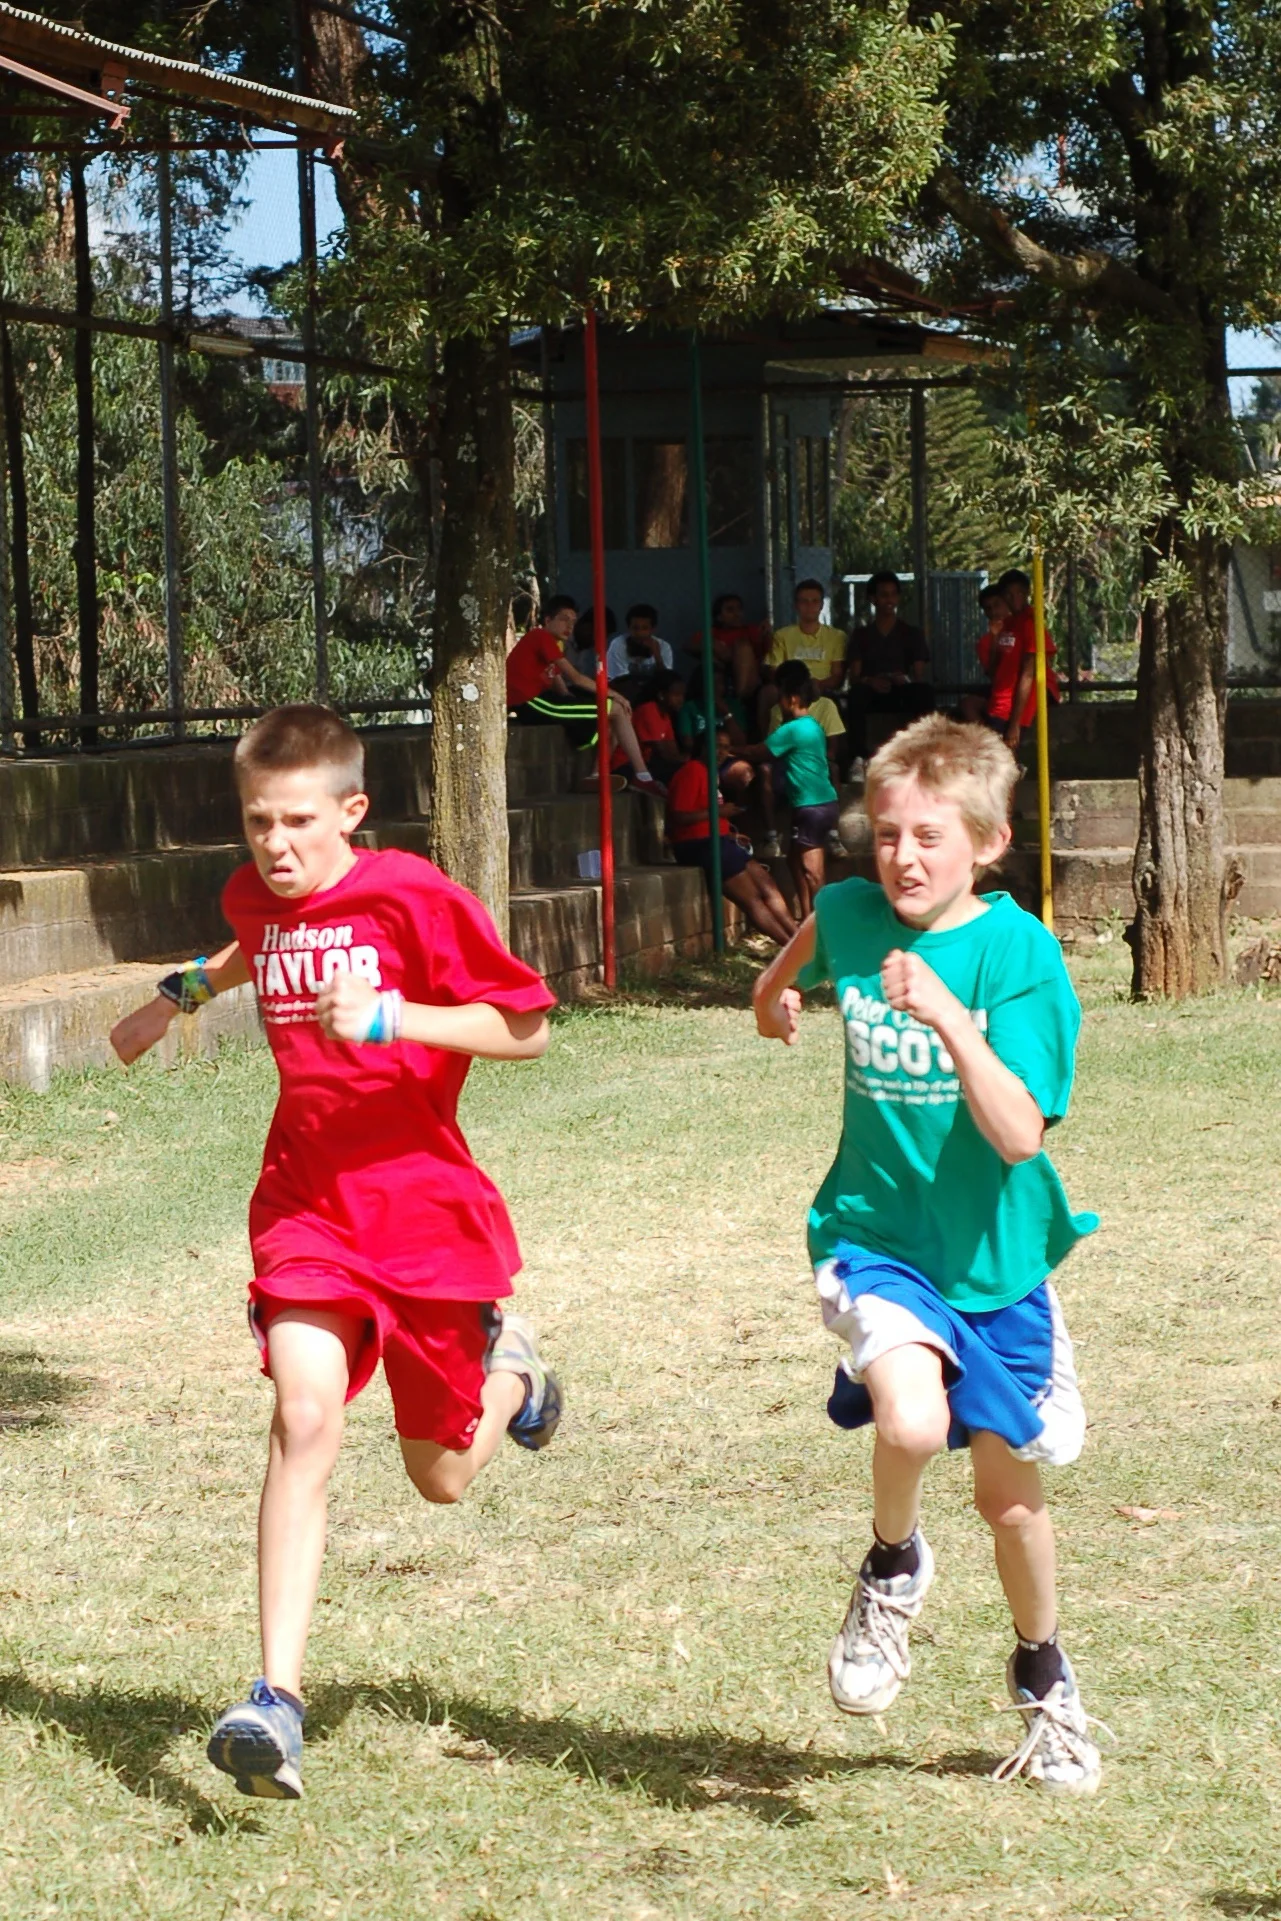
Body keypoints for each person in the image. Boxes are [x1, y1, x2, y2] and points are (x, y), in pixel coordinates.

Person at [108, 706, 563, 1801]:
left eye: (300, 821)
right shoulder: (254, 895)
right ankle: (276, 1699)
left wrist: (397, 1018)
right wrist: (169, 1001)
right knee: (304, 1415)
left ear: (351, 810)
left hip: (425, 1223)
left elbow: (528, 1024)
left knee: (442, 1476)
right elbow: (249, 945)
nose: (276, 844)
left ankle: (517, 1373)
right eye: (259, 821)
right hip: (306, 1209)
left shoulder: (412, 895)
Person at [752, 714, 1105, 1795]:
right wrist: (774, 1000)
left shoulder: (1019, 955)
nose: (902, 857)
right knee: (909, 1418)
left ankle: (1043, 1675)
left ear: (989, 843)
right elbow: (814, 934)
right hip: (875, 1238)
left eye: (930, 838)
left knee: (1011, 1504)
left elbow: (1018, 1134)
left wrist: (951, 1013)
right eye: (889, 834)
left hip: (997, 1264)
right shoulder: (854, 909)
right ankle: (893, 1563)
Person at [506, 595, 665, 797]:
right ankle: (643, 777)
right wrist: (615, 695)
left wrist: (576, 700)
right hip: (530, 702)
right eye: (564, 619)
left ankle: (597, 774)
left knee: (614, 713)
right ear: (547, 620)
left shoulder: (555, 644)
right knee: (616, 707)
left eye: (573, 622)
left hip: (542, 700)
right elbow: (576, 677)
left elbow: (559, 683)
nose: (569, 626)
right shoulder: (540, 636)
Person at [665, 729, 797, 945]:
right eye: (716, 746)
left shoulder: (709, 773)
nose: (721, 752)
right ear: (703, 746)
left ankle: (799, 939)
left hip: (720, 839)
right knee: (752, 898)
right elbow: (679, 816)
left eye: (726, 747)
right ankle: (790, 947)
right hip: (699, 844)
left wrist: (730, 830)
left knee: (767, 885)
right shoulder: (692, 771)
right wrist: (719, 813)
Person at [738, 661, 841, 918]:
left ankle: (824, 926)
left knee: (813, 871)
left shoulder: (792, 729)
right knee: (793, 860)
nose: (779, 704)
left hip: (811, 805)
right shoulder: (812, 725)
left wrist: (730, 751)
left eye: (781, 699)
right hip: (816, 802)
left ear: (792, 699)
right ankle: (808, 918)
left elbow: (760, 751)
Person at [844, 572, 934, 772]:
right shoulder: (861, 635)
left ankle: (926, 754)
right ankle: (858, 758)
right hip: (872, 692)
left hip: (902, 691)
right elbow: (855, 676)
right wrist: (870, 681)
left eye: (893, 594)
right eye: (884, 595)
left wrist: (904, 679)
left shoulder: (912, 633)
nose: (889, 600)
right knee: (856, 694)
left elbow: (919, 675)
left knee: (924, 692)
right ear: (872, 599)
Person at [760, 578, 847, 732]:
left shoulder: (836, 636)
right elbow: (773, 670)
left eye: (814, 601)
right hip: (789, 688)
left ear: (821, 605)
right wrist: (793, 687)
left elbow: (837, 675)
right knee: (767, 693)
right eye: (804, 601)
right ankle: (766, 746)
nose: (809, 606)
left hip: (820, 687)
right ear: (796, 605)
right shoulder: (782, 635)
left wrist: (819, 684)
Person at [990, 570, 1061, 754]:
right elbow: (994, 669)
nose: (1015, 599)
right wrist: (994, 638)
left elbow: (1029, 673)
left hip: (1015, 704)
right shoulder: (1008, 623)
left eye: (1020, 593)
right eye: (1009, 595)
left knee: (1004, 756)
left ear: (1027, 593)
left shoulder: (1031, 623)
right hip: (1001, 700)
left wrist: (1015, 723)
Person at [695, 592, 771, 706]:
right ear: (719, 617)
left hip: (753, 679)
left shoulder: (751, 630)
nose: (737, 614)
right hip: (724, 674)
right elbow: (689, 645)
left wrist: (767, 635)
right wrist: (716, 647)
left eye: (739, 609)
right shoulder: (713, 632)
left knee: (742, 646)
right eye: (730, 610)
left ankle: (738, 700)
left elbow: (769, 654)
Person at [960, 582, 1010, 725]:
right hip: (1002, 691)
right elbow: (994, 675)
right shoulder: (985, 642)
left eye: (997, 605)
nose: (994, 612)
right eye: (988, 608)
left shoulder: (1022, 628)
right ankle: (989, 741)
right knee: (967, 705)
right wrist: (995, 638)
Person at [629, 669, 688, 786]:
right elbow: (663, 752)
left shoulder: (666, 715)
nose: (681, 700)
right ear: (661, 695)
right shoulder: (648, 710)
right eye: (676, 695)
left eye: (682, 695)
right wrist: (687, 761)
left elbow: (673, 750)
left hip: (646, 765)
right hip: (627, 765)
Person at [606, 603, 673, 690]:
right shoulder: (618, 644)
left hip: (653, 693)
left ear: (653, 629)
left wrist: (658, 657)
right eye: (635, 628)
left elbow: (667, 681)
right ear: (629, 628)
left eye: (645, 628)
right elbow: (619, 681)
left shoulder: (664, 647)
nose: (639, 633)